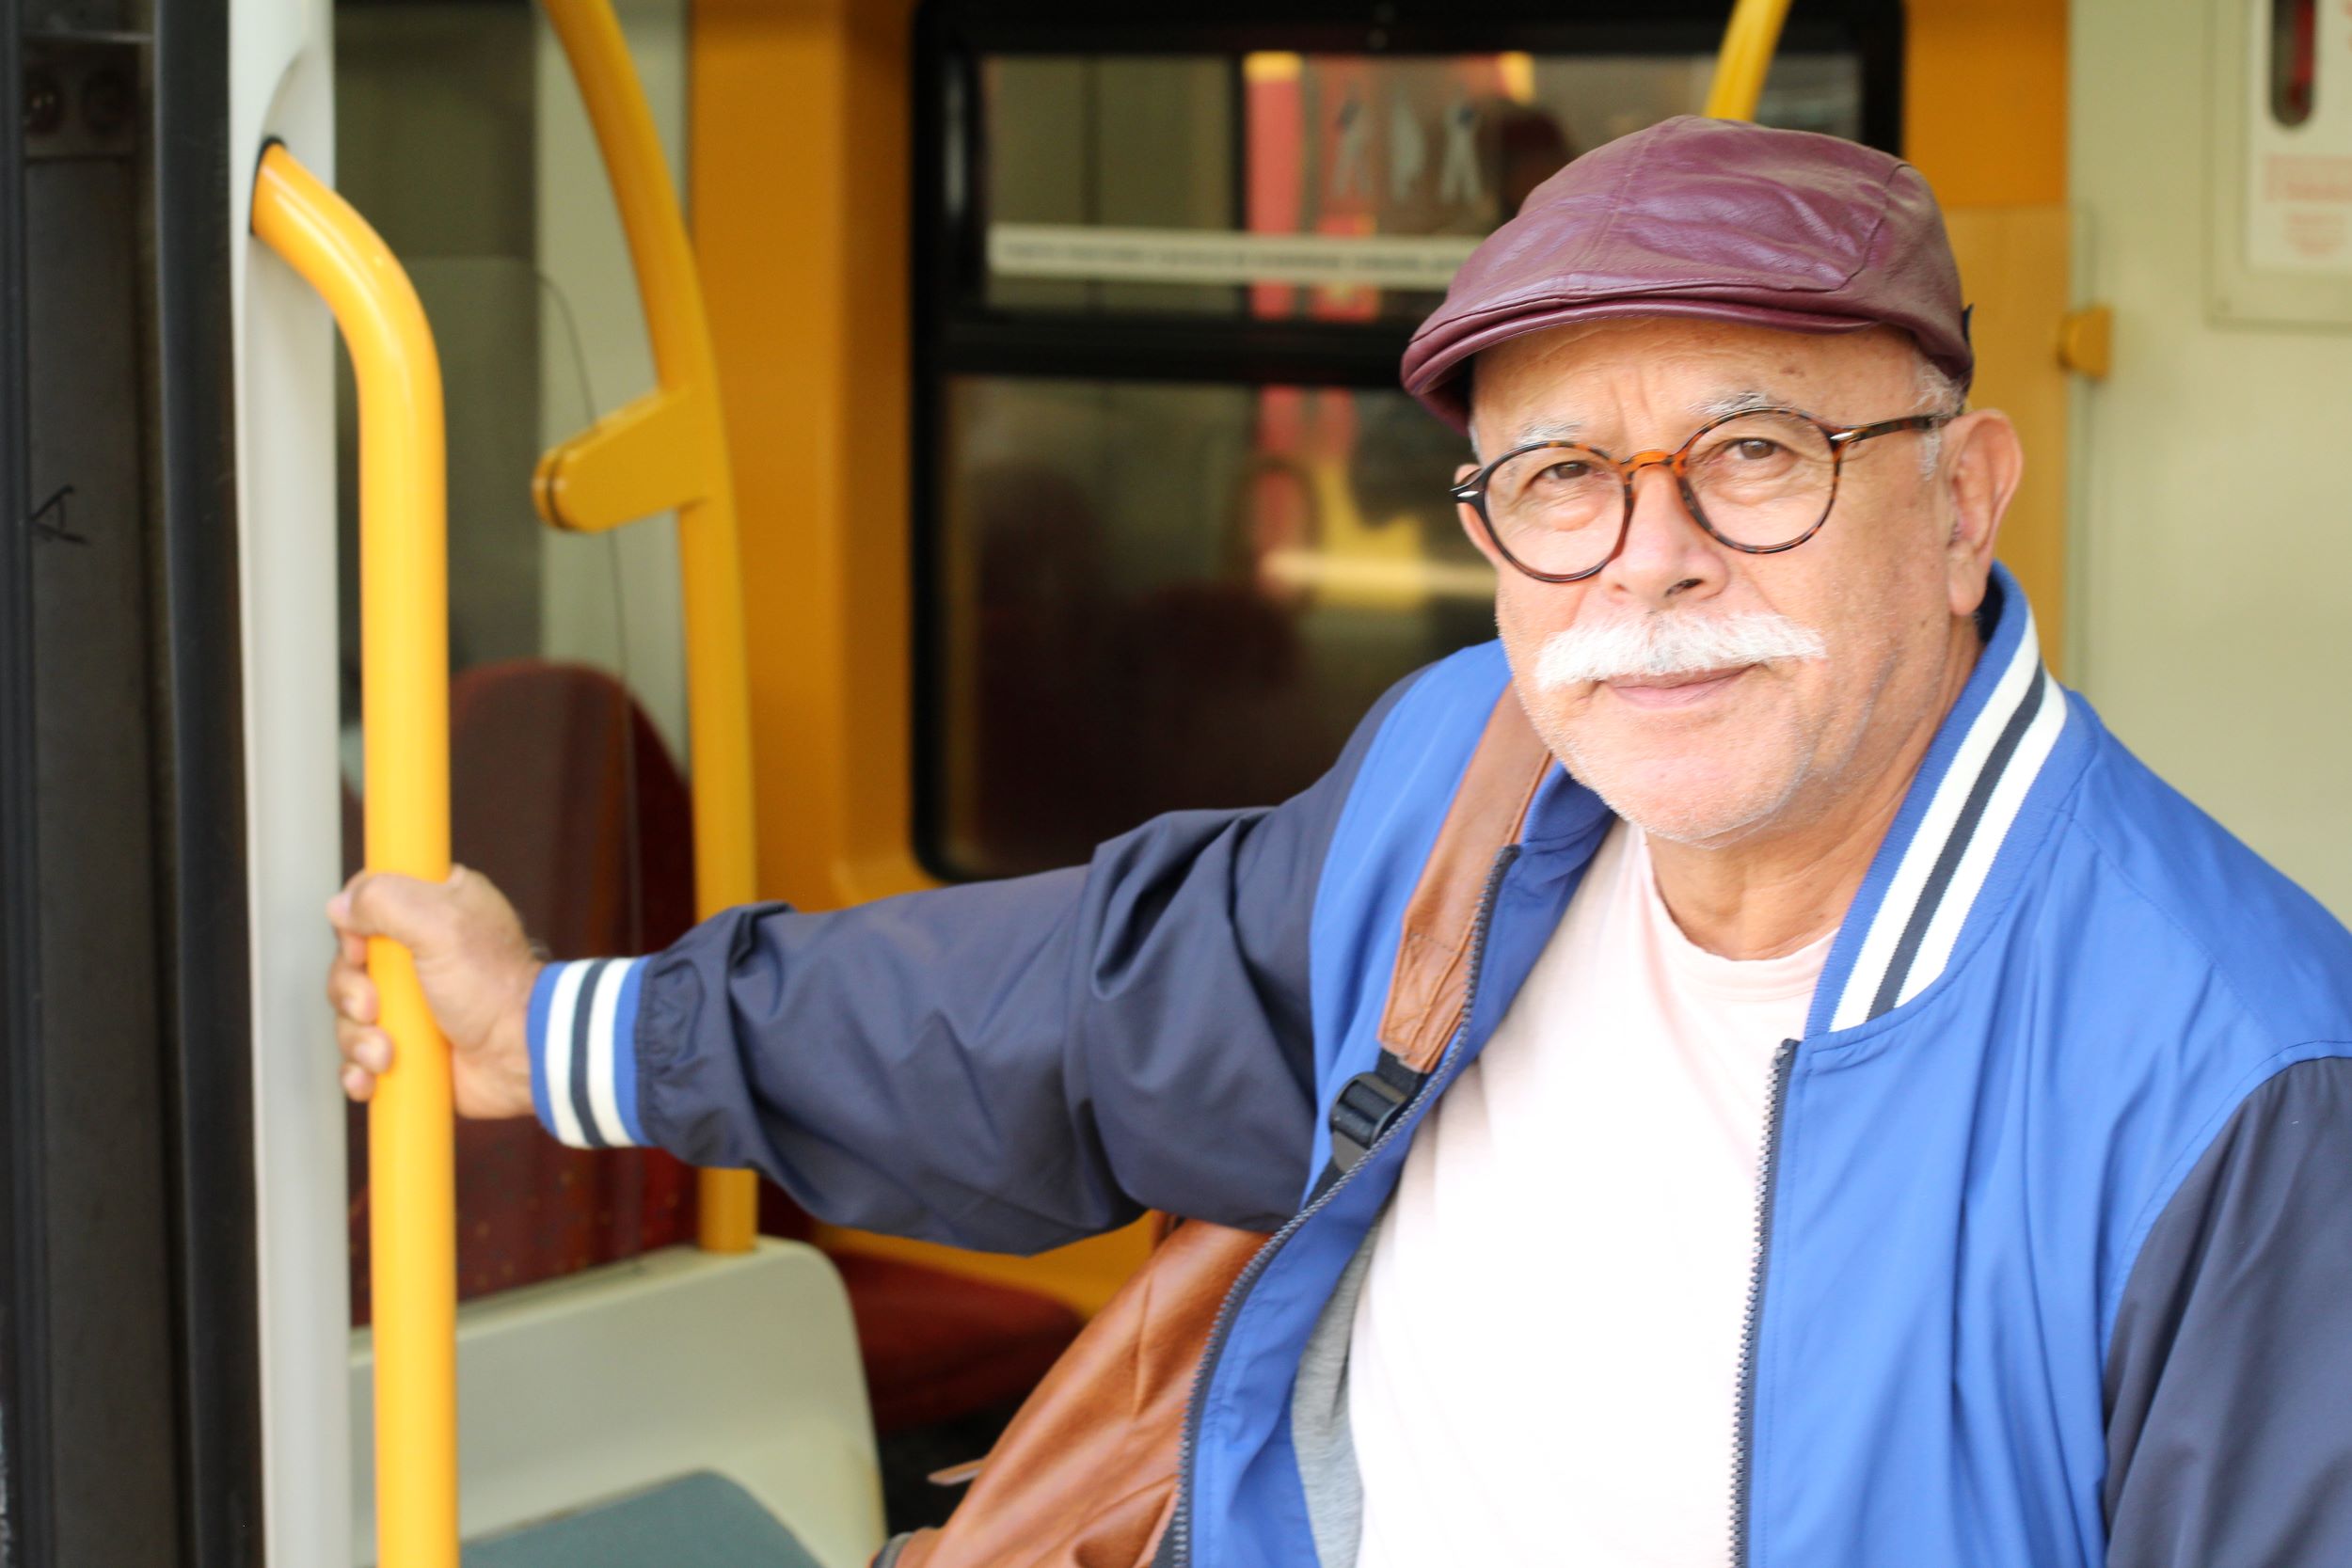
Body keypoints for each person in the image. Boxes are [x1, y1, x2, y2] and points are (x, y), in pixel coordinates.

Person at [326, 117, 2352, 1568]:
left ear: (1962, 500)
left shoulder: (2244, 1089)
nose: (1646, 562)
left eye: (1754, 456)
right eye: (1558, 479)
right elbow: (1082, 1011)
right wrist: (558, 1032)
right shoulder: (1482, 770)